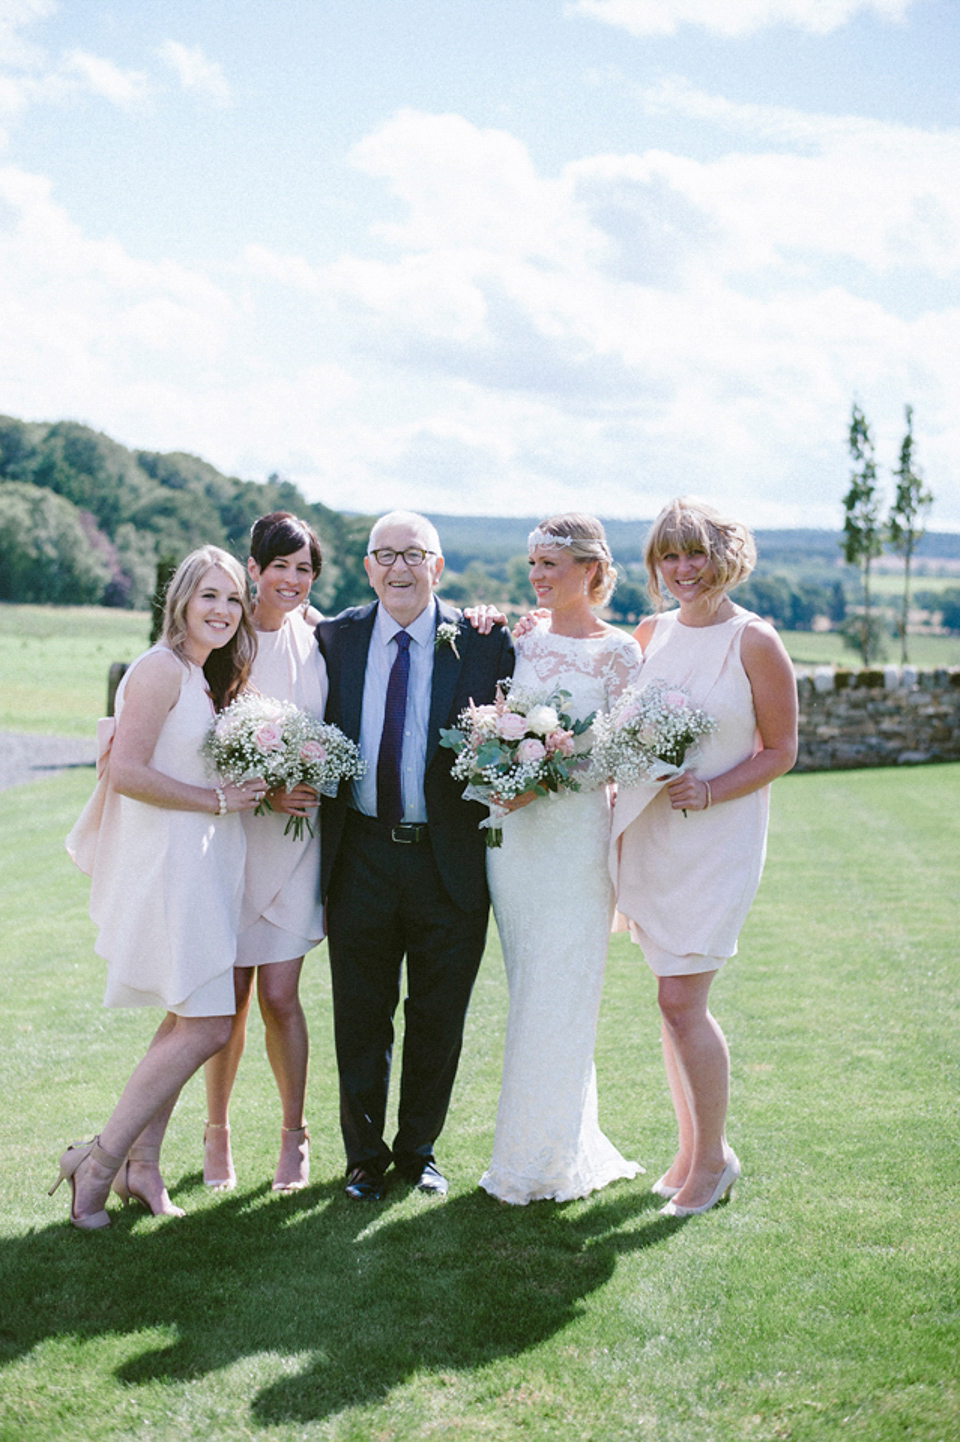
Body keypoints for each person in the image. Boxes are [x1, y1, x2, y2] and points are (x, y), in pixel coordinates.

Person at [54, 546, 266, 1229]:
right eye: (210, 596)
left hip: (200, 866)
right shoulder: (156, 671)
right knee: (206, 1022)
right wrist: (220, 799)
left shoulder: (203, 677)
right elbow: (128, 774)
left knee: (185, 1016)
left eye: (234, 600)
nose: (223, 611)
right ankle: (99, 1160)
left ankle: (140, 1168)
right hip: (170, 868)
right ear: (181, 600)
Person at [316, 511, 514, 1201]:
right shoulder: (334, 636)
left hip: (448, 861)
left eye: (414, 554)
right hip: (360, 856)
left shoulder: (485, 642)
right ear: (367, 567)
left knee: (439, 1016)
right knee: (361, 1014)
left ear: (438, 566)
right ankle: (363, 1158)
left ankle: (418, 1151)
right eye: (384, 554)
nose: (399, 568)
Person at [610, 498, 798, 1217]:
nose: (683, 569)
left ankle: (713, 1162)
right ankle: (691, 1152)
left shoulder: (755, 641)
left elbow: (781, 751)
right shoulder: (651, 632)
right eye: (669, 556)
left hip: (717, 837)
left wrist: (711, 789)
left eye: (695, 554)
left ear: (726, 557)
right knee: (670, 1000)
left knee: (682, 999)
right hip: (652, 833)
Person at [479, 514, 644, 1205]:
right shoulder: (521, 639)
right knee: (529, 991)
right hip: (513, 842)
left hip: (577, 841)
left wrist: (552, 765)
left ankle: (540, 1162)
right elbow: (495, 715)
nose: (539, 577)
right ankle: (555, 1143)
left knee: (562, 993)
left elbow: (628, 753)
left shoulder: (620, 654)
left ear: (590, 571)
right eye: (533, 566)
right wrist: (503, 764)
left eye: (552, 564)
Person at [202, 512, 327, 1195]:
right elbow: (198, 741)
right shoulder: (226, 638)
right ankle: (216, 1133)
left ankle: (294, 1136)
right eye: (279, 565)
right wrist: (260, 790)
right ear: (253, 569)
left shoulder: (321, 638)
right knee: (230, 998)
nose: (291, 579)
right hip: (234, 836)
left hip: (297, 844)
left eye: (303, 568)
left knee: (282, 995)